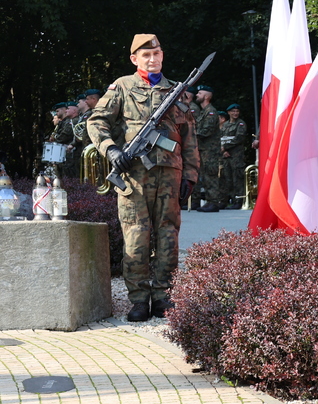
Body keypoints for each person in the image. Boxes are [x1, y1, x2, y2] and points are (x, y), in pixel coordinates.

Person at [87, 33, 199, 322]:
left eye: (157, 53)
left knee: (168, 237)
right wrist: (111, 150)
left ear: (162, 56)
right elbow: (96, 121)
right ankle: (138, 300)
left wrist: (190, 175)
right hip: (134, 176)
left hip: (170, 176)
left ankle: (163, 296)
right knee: (136, 237)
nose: (153, 59)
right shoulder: (123, 87)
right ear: (134, 59)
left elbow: (189, 138)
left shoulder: (177, 91)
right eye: (146, 55)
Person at [194, 84, 223, 212]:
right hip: (204, 150)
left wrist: (191, 134)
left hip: (210, 151)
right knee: (205, 176)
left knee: (210, 175)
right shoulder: (204, 113)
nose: (196, 95)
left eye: (199, 94)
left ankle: (213, 202)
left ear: (206, 97)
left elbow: (206, 131)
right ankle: (209, 201)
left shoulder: (211, 112)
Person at [220, 104, 248, 209]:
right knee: (227, 177)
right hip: (226, 155)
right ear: (229, 112)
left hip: (236, 155)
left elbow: (239, 138)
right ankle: (230, 199)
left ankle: (239, 200)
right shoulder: (225, 125)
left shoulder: (240, 124)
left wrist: (226, 147)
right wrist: (223, 151)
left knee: (237, 177)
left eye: (237, 111)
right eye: (233, 111)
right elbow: (220, 138)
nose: (235, 113)